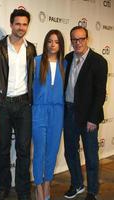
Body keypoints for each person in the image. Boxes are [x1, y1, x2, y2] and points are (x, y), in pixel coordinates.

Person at [0, 8, 37, 200]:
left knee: (23, 149)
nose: (21, 27)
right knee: (3, 148)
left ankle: (23, 189)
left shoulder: (31, 48)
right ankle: (4, 187)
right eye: (17, 23)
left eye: (24, 24)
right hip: (3, 104)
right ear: (11, 24)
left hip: (24, 104)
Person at [63, 26, 108, 200]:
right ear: (71, 40)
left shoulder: (99, 61)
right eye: (74, 39)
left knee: (90, 155)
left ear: (87, 39)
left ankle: (92, 191)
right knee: (70, 152)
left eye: (81, 39)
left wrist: (93, 119)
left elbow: (100, 94)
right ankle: (77, 184)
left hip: (88, 116)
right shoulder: (67, 58)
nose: (78, 42)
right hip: (69, 112)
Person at [32, 30, 66, 200]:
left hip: (57, 112)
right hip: (38, 110)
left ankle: (47, 184)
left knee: (52, 151)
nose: (53, 45)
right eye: (50, 41)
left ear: (60, 45)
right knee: (39, 151)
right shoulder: (36, 62)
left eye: (57, 42)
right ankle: (38, 185)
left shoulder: (64, 64)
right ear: (45, 43)